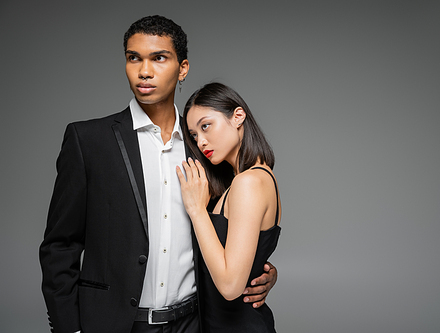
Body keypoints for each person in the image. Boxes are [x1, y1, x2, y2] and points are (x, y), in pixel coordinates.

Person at [39, 15, 277, 333]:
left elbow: (233, 233)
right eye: (133, 58)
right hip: (115, 325)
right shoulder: (89, 140)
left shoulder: (205, 149)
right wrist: (69, 328)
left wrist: (262, 271)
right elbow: (60, 245)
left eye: (159, 58)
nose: (144, 71)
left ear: (183, 69)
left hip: (194, 323)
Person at [176, 82, 281, 332]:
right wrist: (268, 272)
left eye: (206, 126)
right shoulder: (244, 180)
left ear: (237, 116)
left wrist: (197, 210)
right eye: (194, 135)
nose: (201, 141)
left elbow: (231, 286)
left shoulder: (249, 182)